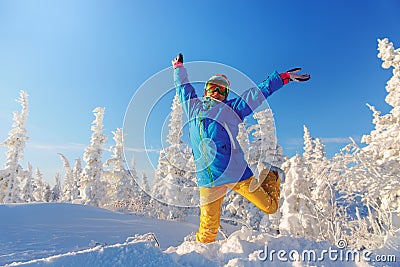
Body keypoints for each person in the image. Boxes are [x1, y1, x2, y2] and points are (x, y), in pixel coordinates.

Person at [171, 53, 310, 243]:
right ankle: (198, 258)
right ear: (206, 91)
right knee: (207, 231)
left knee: (270, 207)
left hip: (236, 174)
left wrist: (282, 78)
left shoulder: (233, 109)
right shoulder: (193, 108)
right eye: (213, 88)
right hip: (207, 180)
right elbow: (183, 88)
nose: (217, 92)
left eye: (222, 90)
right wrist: (178, 68)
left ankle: (272, 176)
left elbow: (256, 94)